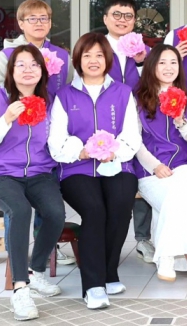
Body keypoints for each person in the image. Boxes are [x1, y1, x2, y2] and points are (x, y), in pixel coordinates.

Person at [48, 32, 141, 309]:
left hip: (118, 164)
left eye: (99, 55)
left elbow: (132, 135)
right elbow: (56, 141)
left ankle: (109, 272)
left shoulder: (123, 92)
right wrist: (81, 151)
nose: (93, 60)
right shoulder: (64, 95)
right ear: (77, 60)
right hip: (76, 168)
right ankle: (93, 286)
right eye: (87, 55)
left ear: (108, 59)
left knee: (121, 205)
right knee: (94, 210)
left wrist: (115, 151)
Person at [0, 45, 65, 321]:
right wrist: (6, 119)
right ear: (10, 71)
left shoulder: (50, 101)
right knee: (20, 210)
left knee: (55, 213)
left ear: (43, 71)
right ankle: (20, 289)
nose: (28, 70)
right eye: (21, 65)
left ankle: (36, 272)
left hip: (38, 173)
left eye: (34, 64)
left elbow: (57, 140)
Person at [0, 0, 75, 266]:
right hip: (16, 133)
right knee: (15, 201)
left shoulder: (62, 55)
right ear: (21, 23)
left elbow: (67, 91)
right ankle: (16, 254)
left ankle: (45, 250)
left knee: (47, 193)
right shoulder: (7, 55)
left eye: (44, 18)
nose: (39, 23)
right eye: (32, 19)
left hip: (48, 132)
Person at [133, 44, 187, 295]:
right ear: (152, 66)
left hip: (184, 165)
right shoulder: (137, 98)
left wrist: (181, 121)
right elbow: (135, 141)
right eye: (162, 62)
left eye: (173, 62)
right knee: (181, 201)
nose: (169, 67)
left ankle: (167, 256)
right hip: (151, 171)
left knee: (183, 184)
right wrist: (155, 166)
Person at [100, 0, 155, 266]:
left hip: (140, 122)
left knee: (141, 175)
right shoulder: (95, 47)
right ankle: (106, 238)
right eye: (117, 14)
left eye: (128, 16)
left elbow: (155, 83)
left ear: (134, 21)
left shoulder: (144, 49)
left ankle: (143, 238)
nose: (122, 20)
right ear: (105, 18)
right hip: (104, 124)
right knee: (110, 178)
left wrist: (143, 62)